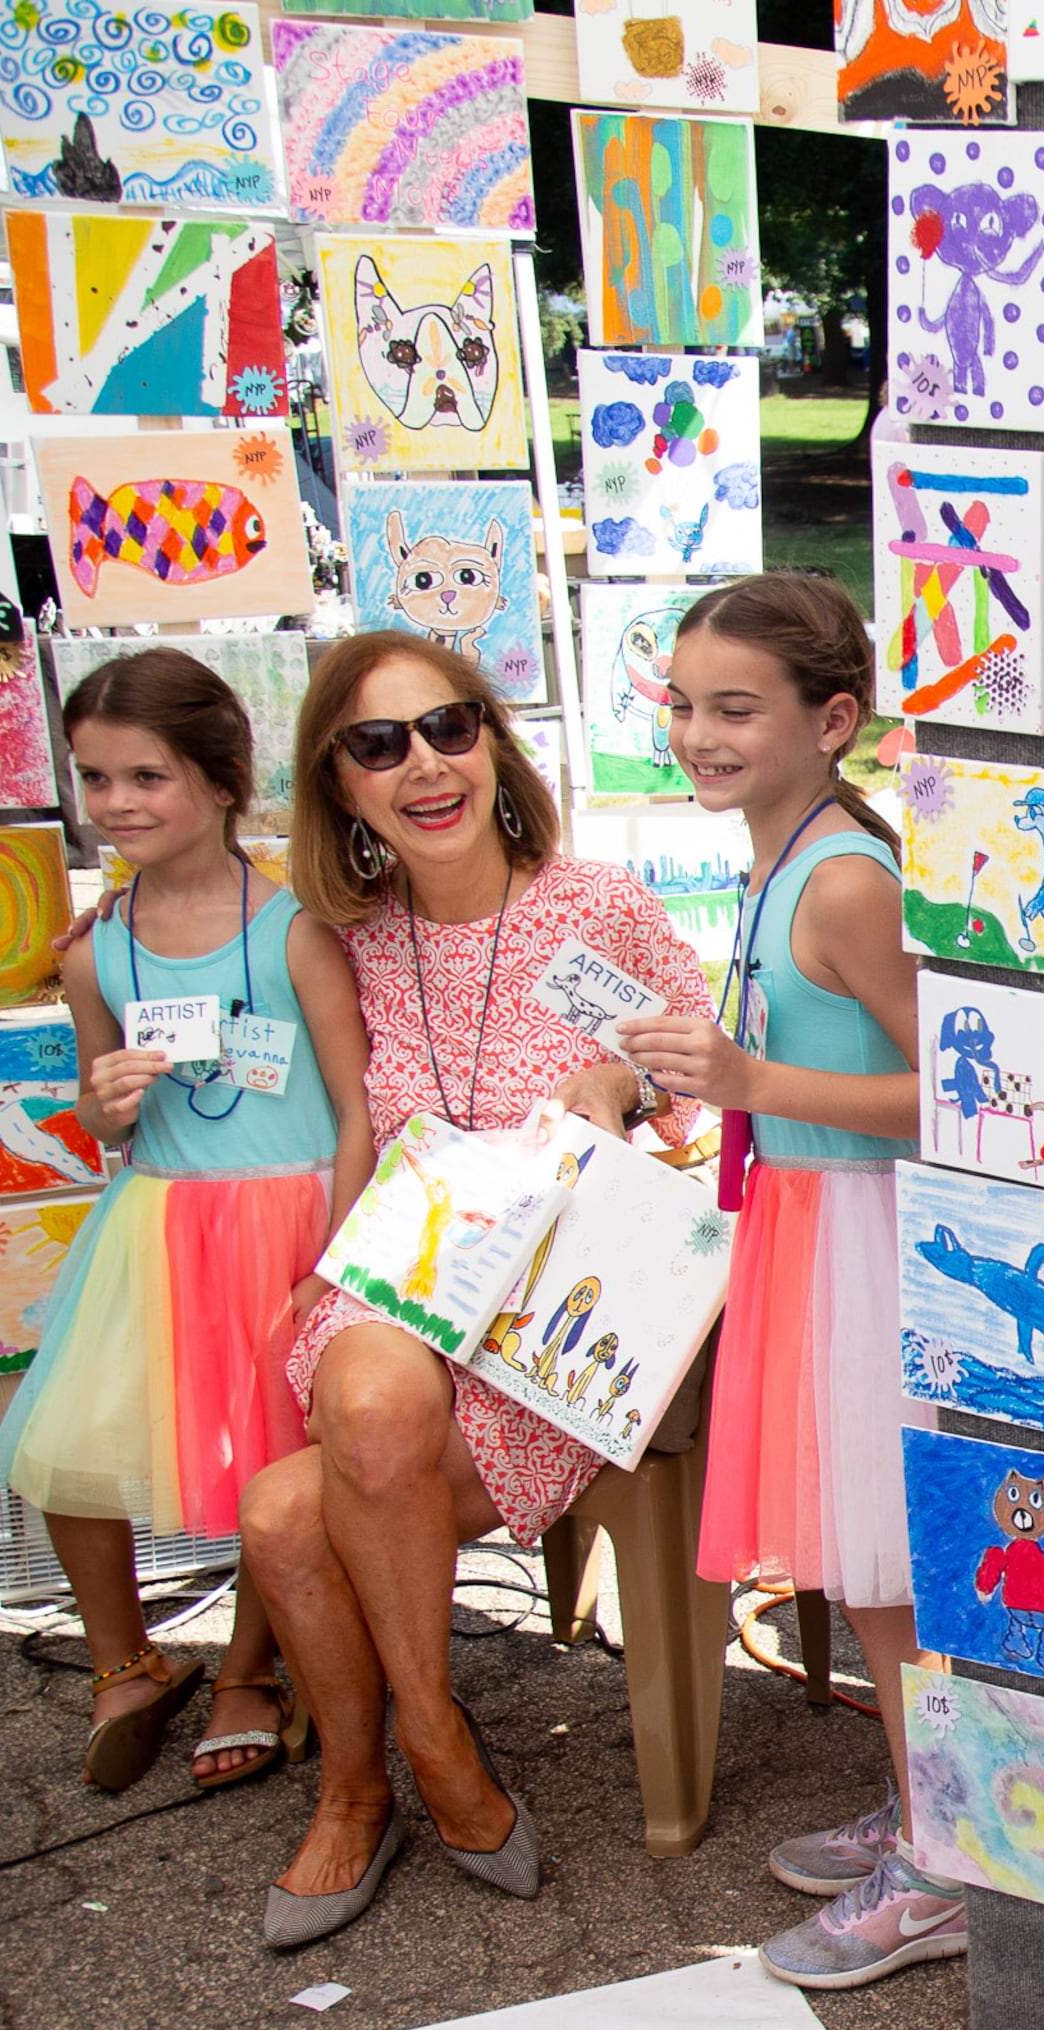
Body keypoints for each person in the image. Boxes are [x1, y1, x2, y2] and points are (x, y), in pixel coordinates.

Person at [242, 633, 712, 1949]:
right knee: (374, 1386)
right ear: (339, 783)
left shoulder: (595, 905)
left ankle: (358, 1784)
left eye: (448, 727)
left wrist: (621, 1082)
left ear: (494, 742)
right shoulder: (346, 940)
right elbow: (201, 934)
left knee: (286, 1524)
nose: (426, 765)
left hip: (549, 1328)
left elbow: (704, 1074)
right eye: (379, 744)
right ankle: (430, 1748)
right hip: (401, 1288)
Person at [621, 572, 944, 1991]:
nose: (697, 732)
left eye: (734, 708)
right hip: (807, 1223)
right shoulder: (780, 856)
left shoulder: (846, 880)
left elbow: (956, 1091)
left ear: (834, 721)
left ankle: (950, 1860)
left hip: (868, 1235)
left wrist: (756, 1078)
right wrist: (716, 1086)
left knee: (889, 1572)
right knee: (871, 1567)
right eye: (684, 704)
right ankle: (931, 1797)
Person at [0, 652, 371, 1793]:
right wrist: (103, 1104)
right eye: (95, 779)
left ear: (217, 778)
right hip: (155, 1227)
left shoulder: (296, 930)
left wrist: (336, 1257)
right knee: (68, 1448)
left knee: (272, 1461)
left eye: (145, 776)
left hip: (286, 1223)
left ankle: (253, 1668)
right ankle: (125, 1663)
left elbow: (357, 1108)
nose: (117, 805)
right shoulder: (95, 944)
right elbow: (105, 1113)